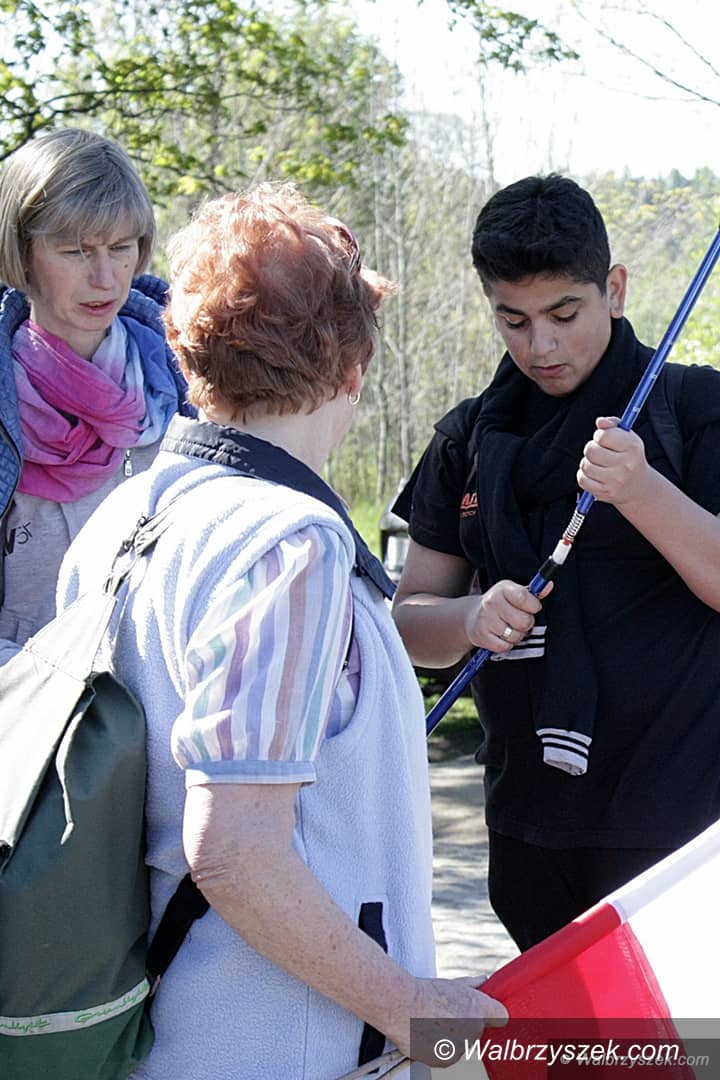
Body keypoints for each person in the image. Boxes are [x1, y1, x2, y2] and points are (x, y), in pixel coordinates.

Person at [57, 184, 507, 1079]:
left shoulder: (121, 515)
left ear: (189, 351)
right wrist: (412, 1007)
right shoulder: (287, 546)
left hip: (149, 1038)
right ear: (353, 365)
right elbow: (234, 851)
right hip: (268, 1049)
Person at [391, 174, 720, 953]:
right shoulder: (467, 438)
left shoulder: (695, 409)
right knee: (553, 1031)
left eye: (564, 315)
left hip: (683, 833)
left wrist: (644, 491)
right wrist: (470, 618)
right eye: (514, 320)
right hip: (527, 827)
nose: (541, 346)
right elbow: (407, 623)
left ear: (615, 289)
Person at [0, 127, 191, 662]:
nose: (105, 278)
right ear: (22, 254)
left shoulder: (191, 382)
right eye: (75, 251)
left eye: (121, 248)